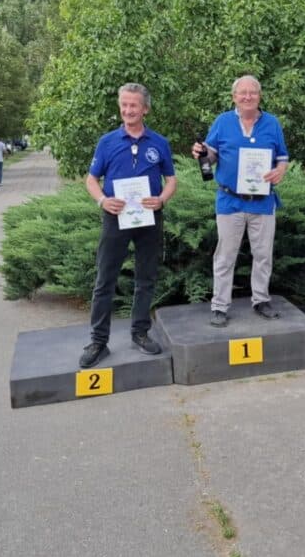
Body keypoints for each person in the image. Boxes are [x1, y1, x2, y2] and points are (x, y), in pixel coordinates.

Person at [79, 83, 177, 368]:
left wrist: (161, 199)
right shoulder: (107, 142)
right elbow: (91, 179)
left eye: (133, 105)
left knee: (146, 278)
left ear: (145, 109)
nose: (128, 110)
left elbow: (171, 180)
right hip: (115, 218)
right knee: (105, 279)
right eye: (124, 105)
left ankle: (140, 333)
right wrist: (102, 200)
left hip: (149, 218)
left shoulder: (159, 142)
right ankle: (98, 341)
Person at [191, 75, 289, 327]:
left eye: (252, 92)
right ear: (234, 97)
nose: (247, 97)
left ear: (259, 95)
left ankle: (261, 300)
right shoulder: (223, 122)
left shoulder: (272, 123)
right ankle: (219, 306)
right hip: (230, 200)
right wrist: (202, 153)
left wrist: (280, 171)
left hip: (263, 201)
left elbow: (282, 157)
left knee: (263, 254)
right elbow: (211, 156)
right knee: (225, 256)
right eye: (242, 93)